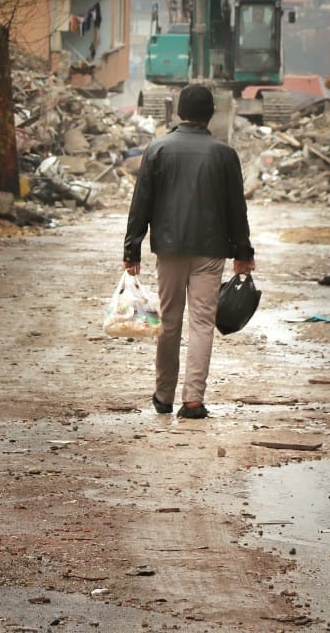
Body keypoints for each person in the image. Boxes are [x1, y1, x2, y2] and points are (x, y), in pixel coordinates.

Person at [123, 85, 256, 419]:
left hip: (169, 249)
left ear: (179, 112)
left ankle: (163, 395)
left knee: (169, 322)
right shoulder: (224, 154)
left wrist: (132, 248)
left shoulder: (157, 149)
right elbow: (236, 209)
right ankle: (193, 398)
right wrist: (243, 251)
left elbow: (142, 202)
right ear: (210, 114)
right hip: (211, 251)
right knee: (201, 323)